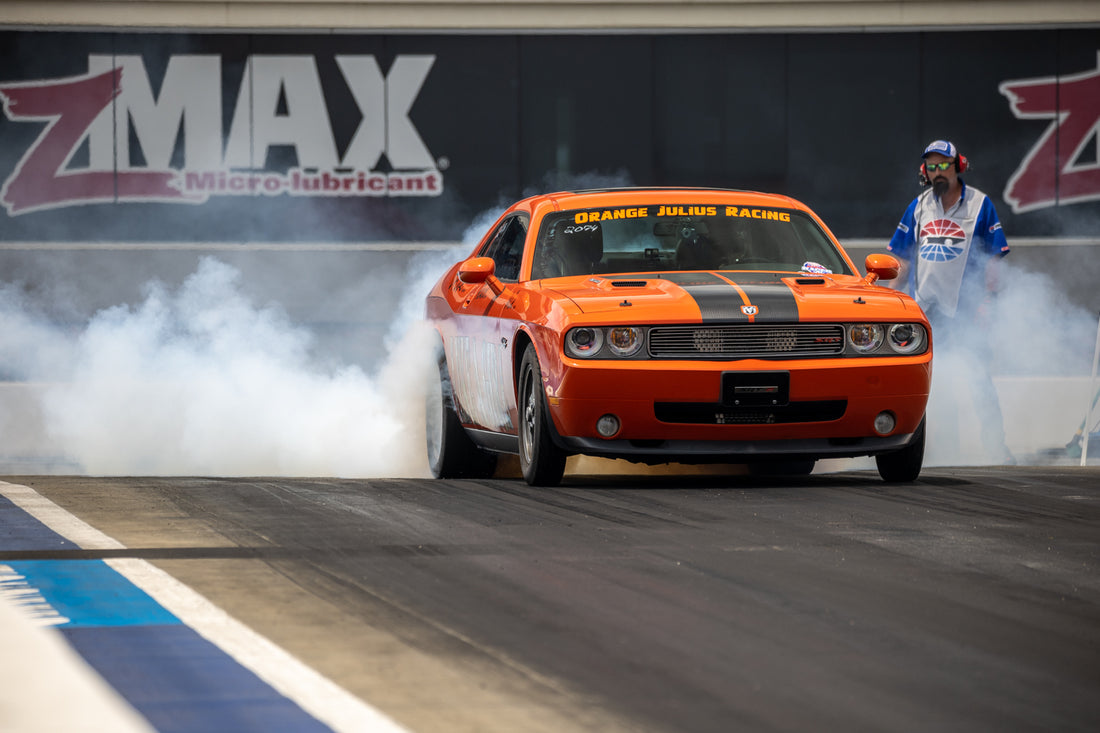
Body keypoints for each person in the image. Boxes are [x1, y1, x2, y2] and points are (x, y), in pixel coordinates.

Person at [887, 139, 1014, 464]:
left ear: (959, 165)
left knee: (978, 382)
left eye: (944, 164)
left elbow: (994, 261)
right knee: (928, 388)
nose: (938, 171)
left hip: (967, 312)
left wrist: (988, 304)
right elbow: (901, 260)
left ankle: (997, 451)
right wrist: (887, 299)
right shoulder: (917, 207)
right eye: (931, 166)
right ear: (924, 172)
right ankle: (942, 452)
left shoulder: (981, 204)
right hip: (925, 316)